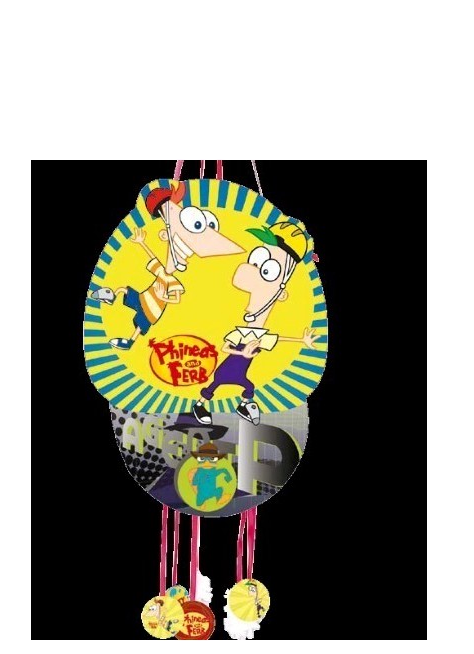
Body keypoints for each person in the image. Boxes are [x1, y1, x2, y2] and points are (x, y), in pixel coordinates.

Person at [193, 221, 321, 424]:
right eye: (255, 262)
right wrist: (242, 353)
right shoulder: (242, 333)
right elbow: (225, 347)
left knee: (249, 387)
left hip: (240, 373)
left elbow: (277, 339)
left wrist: (301, 340)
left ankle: (242, 407)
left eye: (266, 269)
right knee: (215, 385)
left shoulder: (259, 334)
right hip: (226, 370)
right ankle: (199, 406)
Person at [90, 184, 242, 350]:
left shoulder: (172, 281)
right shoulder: (163, 272)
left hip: (152, 310)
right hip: (143, 298)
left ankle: (129, 342)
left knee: (140, 325)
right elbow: (153, 258)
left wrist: (164, 297)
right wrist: (142, 243)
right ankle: (112, 297)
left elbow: (176, 299)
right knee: (124, 290)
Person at [187, 441, 234, 508]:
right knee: (199, 503)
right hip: (202, 493)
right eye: (202, 459)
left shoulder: (213, 471)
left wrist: (228, 477)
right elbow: (195, 482)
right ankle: (201, 504)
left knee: (220, 489)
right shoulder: (200, 471)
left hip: (212, 491)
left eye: (212, 459)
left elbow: (222, 470)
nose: (207, 462)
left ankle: (218, 499)